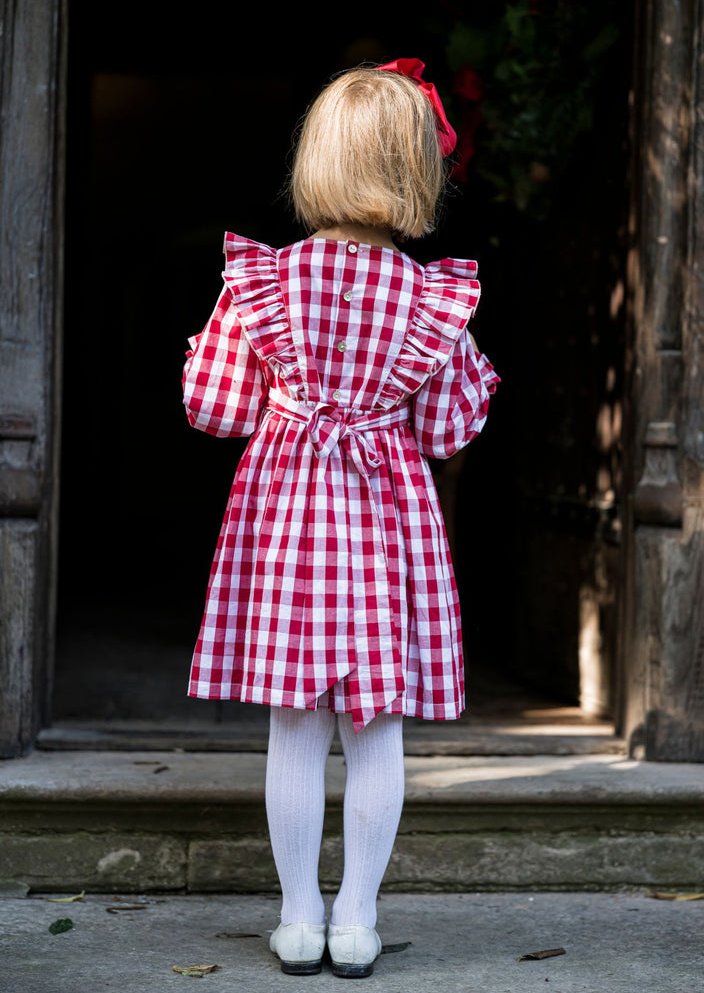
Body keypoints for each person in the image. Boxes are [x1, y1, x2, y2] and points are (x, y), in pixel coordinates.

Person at [182, 59, 500, 978]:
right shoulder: (434, 300)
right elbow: (446, 430)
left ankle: (295, 916)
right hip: (386, 526)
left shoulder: (264, 283)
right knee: (376, 729)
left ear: (316, 159)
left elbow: (216, 409)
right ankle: (356, 919)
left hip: (288, 524)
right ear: (418, 172)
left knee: (294, 725)